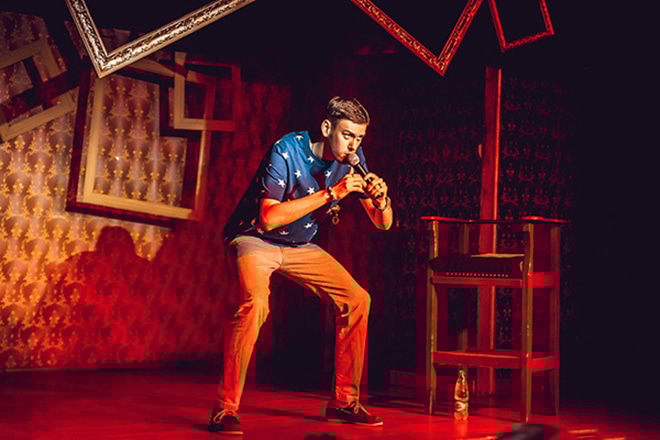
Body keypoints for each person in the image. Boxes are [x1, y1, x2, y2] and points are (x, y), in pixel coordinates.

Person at [209, 96, 393, 435]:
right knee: (255, 305)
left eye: (359, 138)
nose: (353, 145)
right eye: (347, 135)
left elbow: (383, 224)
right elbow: (268, 218)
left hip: (299, 245)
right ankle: (226, 408)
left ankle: (344, 402)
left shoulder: (353, 160)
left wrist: (381, 200)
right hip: (255, 238)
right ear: (327, 128)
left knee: (357, 300)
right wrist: (332, 194)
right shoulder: (287, 149)